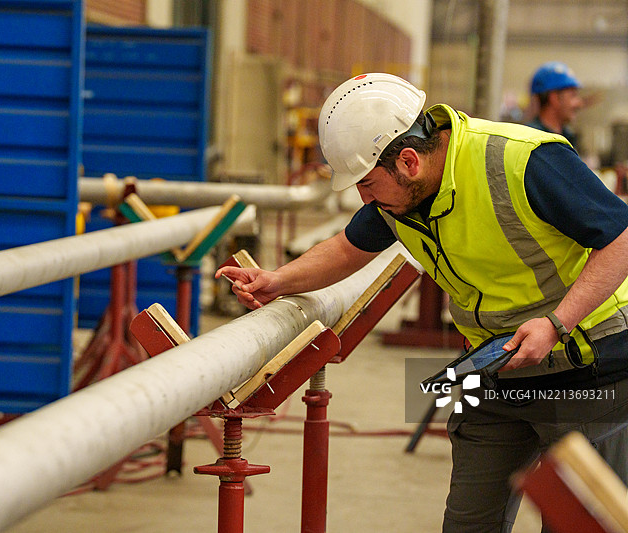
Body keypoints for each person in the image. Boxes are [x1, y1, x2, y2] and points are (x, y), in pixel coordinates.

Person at [216, 73, 628, 532]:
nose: (364, 198)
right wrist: (277, 280)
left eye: (367, 184)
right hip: (498, 369)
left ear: (409, 161)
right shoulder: (398, 199)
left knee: (580, 523)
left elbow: (621, 236)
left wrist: (557, 322)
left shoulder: (523, 160)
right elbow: (348, 248)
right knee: (468, 525)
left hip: (587, 366)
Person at [526, 61, 584, 151]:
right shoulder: (532, 142)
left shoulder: (568, 137)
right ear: (554, 98)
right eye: (573, 96)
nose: (579, 103)